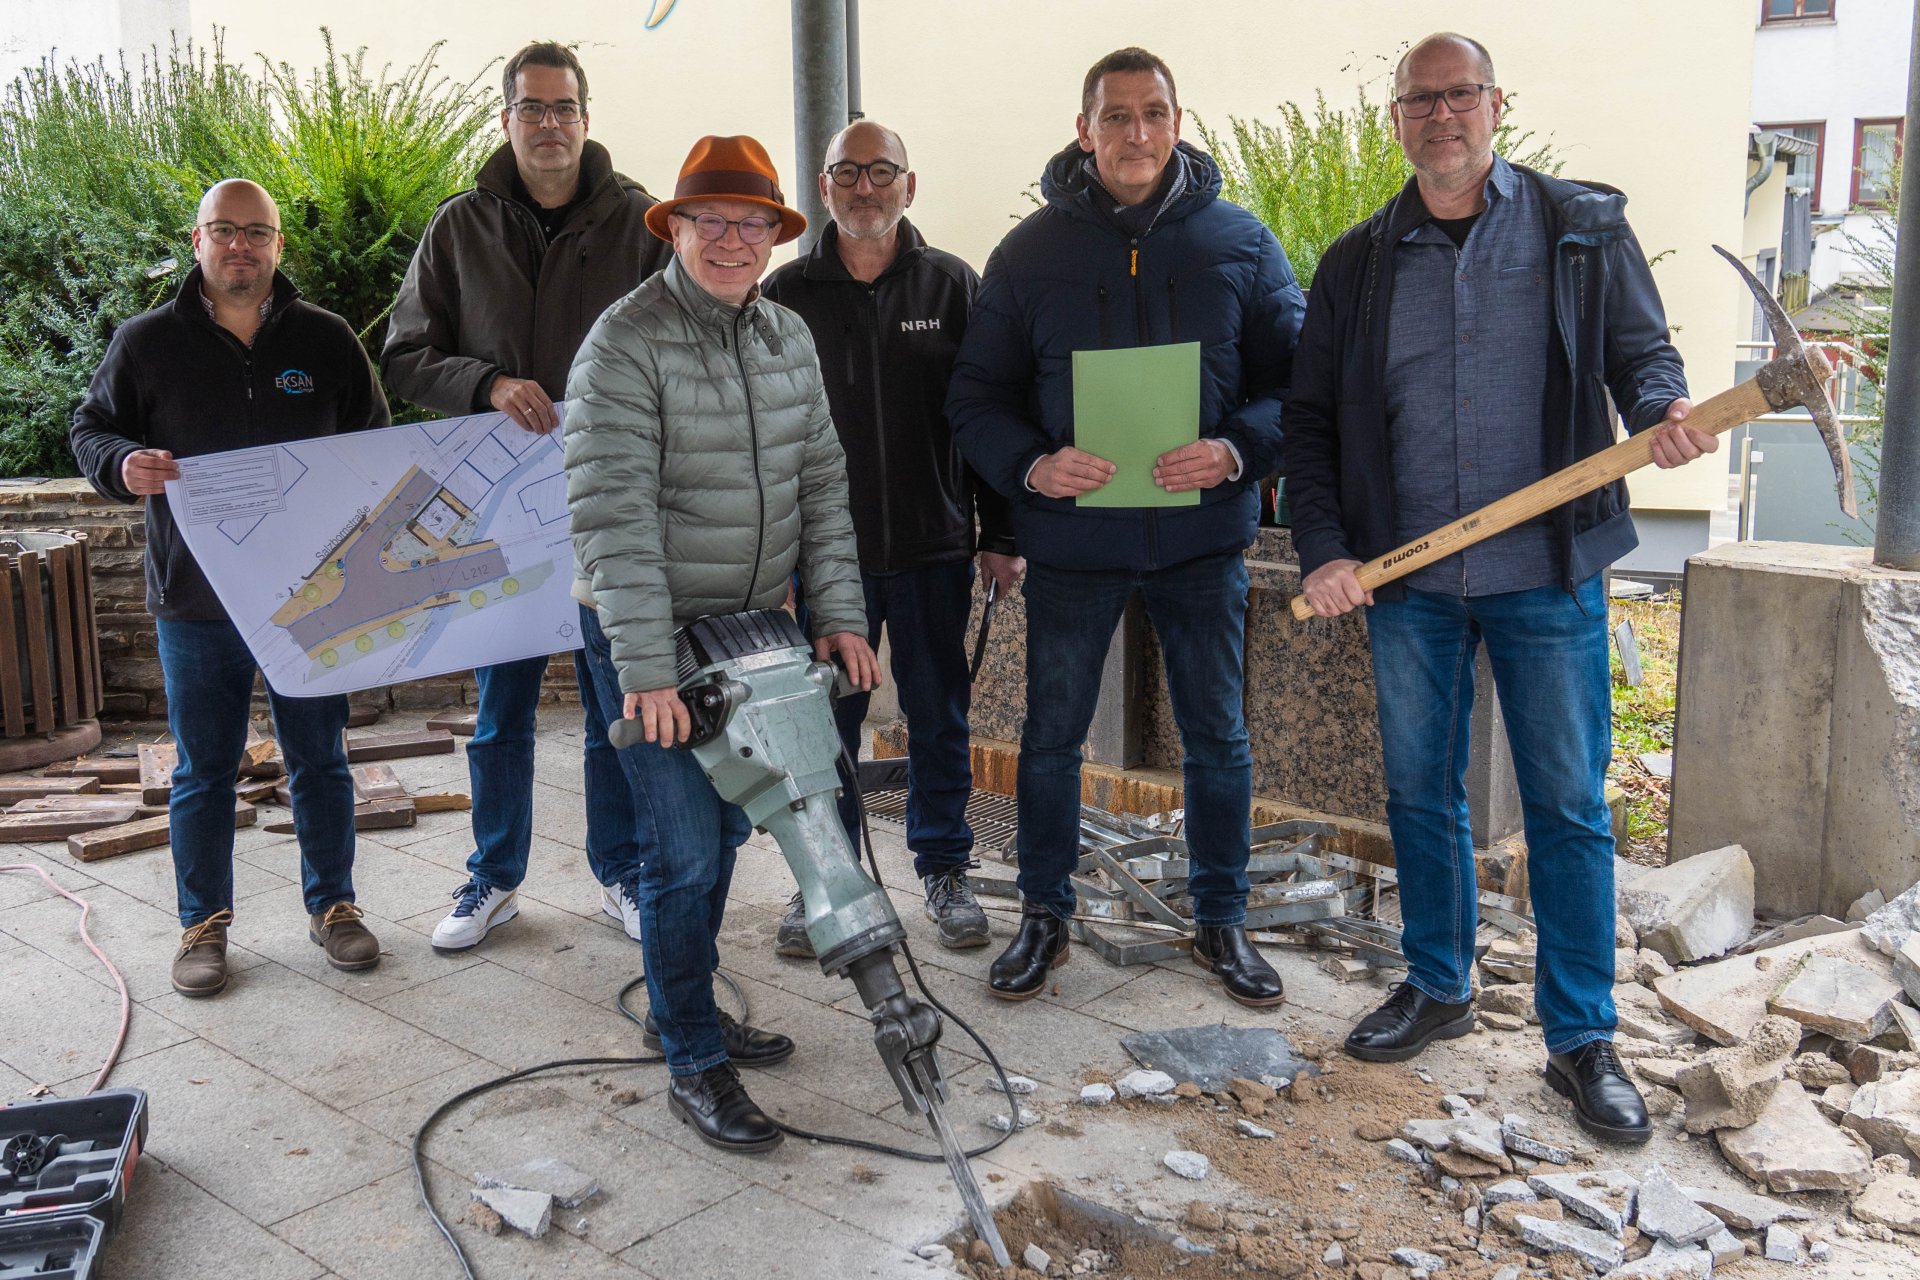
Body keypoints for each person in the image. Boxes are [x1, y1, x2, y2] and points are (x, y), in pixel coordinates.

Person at [1282, 32, 1715, 1144]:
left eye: (1460, 95)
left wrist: (1663, 412)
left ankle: (1582, 1036)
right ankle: (1440, 982)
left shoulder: (1581, 229)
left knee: (1567, 805)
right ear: (1396, 119)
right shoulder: (1356, 263)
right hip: (1409, 578)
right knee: (1420, 793)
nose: (1442, 116)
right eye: (1420, 100)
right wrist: (1323, 546)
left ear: (1496, 104)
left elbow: (1643, 356)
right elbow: (1311, 423)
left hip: (1547, 571)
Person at [948, 47, 1304, 1007]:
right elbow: (976, 397)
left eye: (1153, 114)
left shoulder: (1241, 242)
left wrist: (1235, 451)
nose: (1136, 133)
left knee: (1217, 738)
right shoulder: (1028, 254)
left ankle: (1221, 919)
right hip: (1075, 544)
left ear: (1178, 123)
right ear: (1084, 131)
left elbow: (1295, 385)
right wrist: (1034, 466)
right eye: (1116, 116)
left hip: (1201, 541)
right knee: (1051, 739)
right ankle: (1043, 917)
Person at [564, 135, 879, 1152]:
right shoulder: (624, 342)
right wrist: (648, 670)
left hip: (751, 627)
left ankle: (683, 1003)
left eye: (754, 224)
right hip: (646, 627)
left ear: (776, 235)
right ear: (678, 229)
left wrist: (838, 614)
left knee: (733, 826)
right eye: (714, 221)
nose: (735, 240)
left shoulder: (787, 336)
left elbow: (821, 485)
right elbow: (612, 517)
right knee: (685, 847)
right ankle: (694, 1059)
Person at [383, 41, 671, 952]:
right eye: (533, 108)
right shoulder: (459, 227)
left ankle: (621, 873)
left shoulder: (642, 224)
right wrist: (487, 383)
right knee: (500, 712)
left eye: (564, 107)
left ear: (586, 118)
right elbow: (403, 355)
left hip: (610, 502)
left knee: (613, 708)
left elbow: (681, 347)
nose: (550, 124)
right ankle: (494, 877)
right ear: (506, 119)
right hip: (495, 514)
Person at [70, 179, 390, 997]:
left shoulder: (326, 339)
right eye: (224, 230)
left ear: (278, 245)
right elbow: (91, 427)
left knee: (320, 758)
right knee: (204, 769)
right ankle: (202, 925)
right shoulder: (146, 342)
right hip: (197, 598)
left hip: (312, 596)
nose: (240, 245)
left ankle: (335, 907)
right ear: (198, 239)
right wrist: (121, 464)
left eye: (256, 232)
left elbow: (374, 443)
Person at [760, 121, 1021, 956]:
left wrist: (1000, 530)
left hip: (933, 546)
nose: (864, 187)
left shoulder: (953, 286)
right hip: (822, 559)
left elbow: (989, 415)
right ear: (824, 187)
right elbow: (760, 436)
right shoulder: (784, 293)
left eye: (881, 171)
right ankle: (826, 880)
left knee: (939, 717)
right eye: (847, 172)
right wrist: (772, 558)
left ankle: (944, 869)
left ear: (911, 185)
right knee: (820, 727)